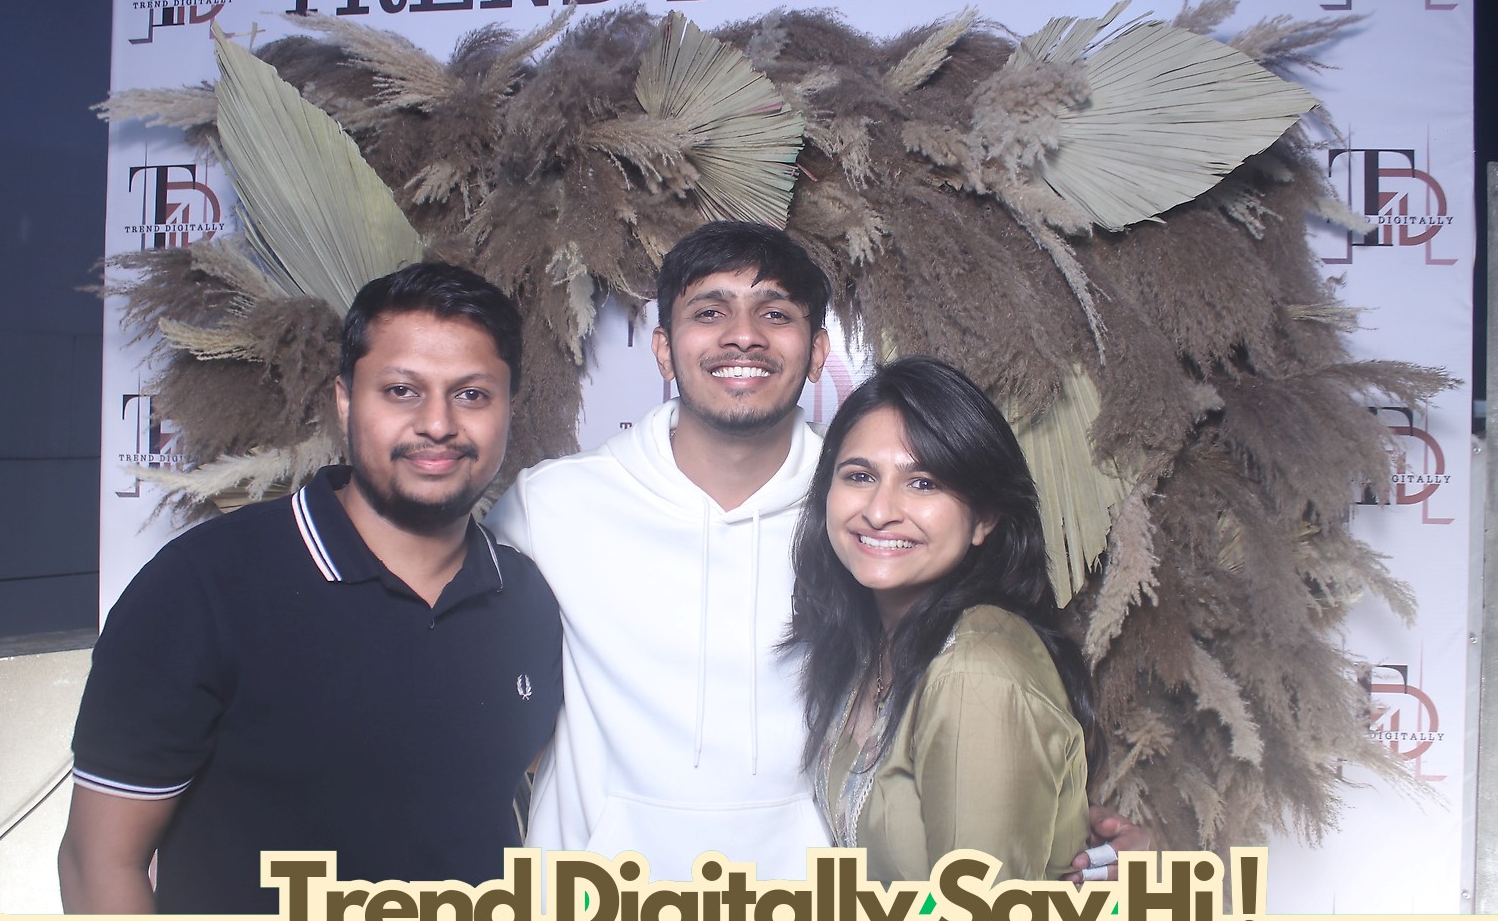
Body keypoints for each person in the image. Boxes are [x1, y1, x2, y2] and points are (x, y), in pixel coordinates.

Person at [489, 221, 1144, 882]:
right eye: (710, 311)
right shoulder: (551, 505)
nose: (743, 335)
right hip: (593, 914)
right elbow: (467, 691)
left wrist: (1058, 830)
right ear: (662, 349)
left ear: (817, 351)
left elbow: (974, 728)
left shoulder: (859, 519)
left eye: (775, 313)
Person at [58, 262, 562, 913]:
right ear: (346, 399)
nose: (437, 423)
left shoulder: (527, 599)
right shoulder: (204, 586)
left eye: (471, 395)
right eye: (402, 390)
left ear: (509, 409)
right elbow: (98, 862)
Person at [786, 356, 1099, 882]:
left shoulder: (975, 672)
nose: (879, 511)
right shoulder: (876, 643)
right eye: (860, 476)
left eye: (924, 483)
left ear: (984, 517)